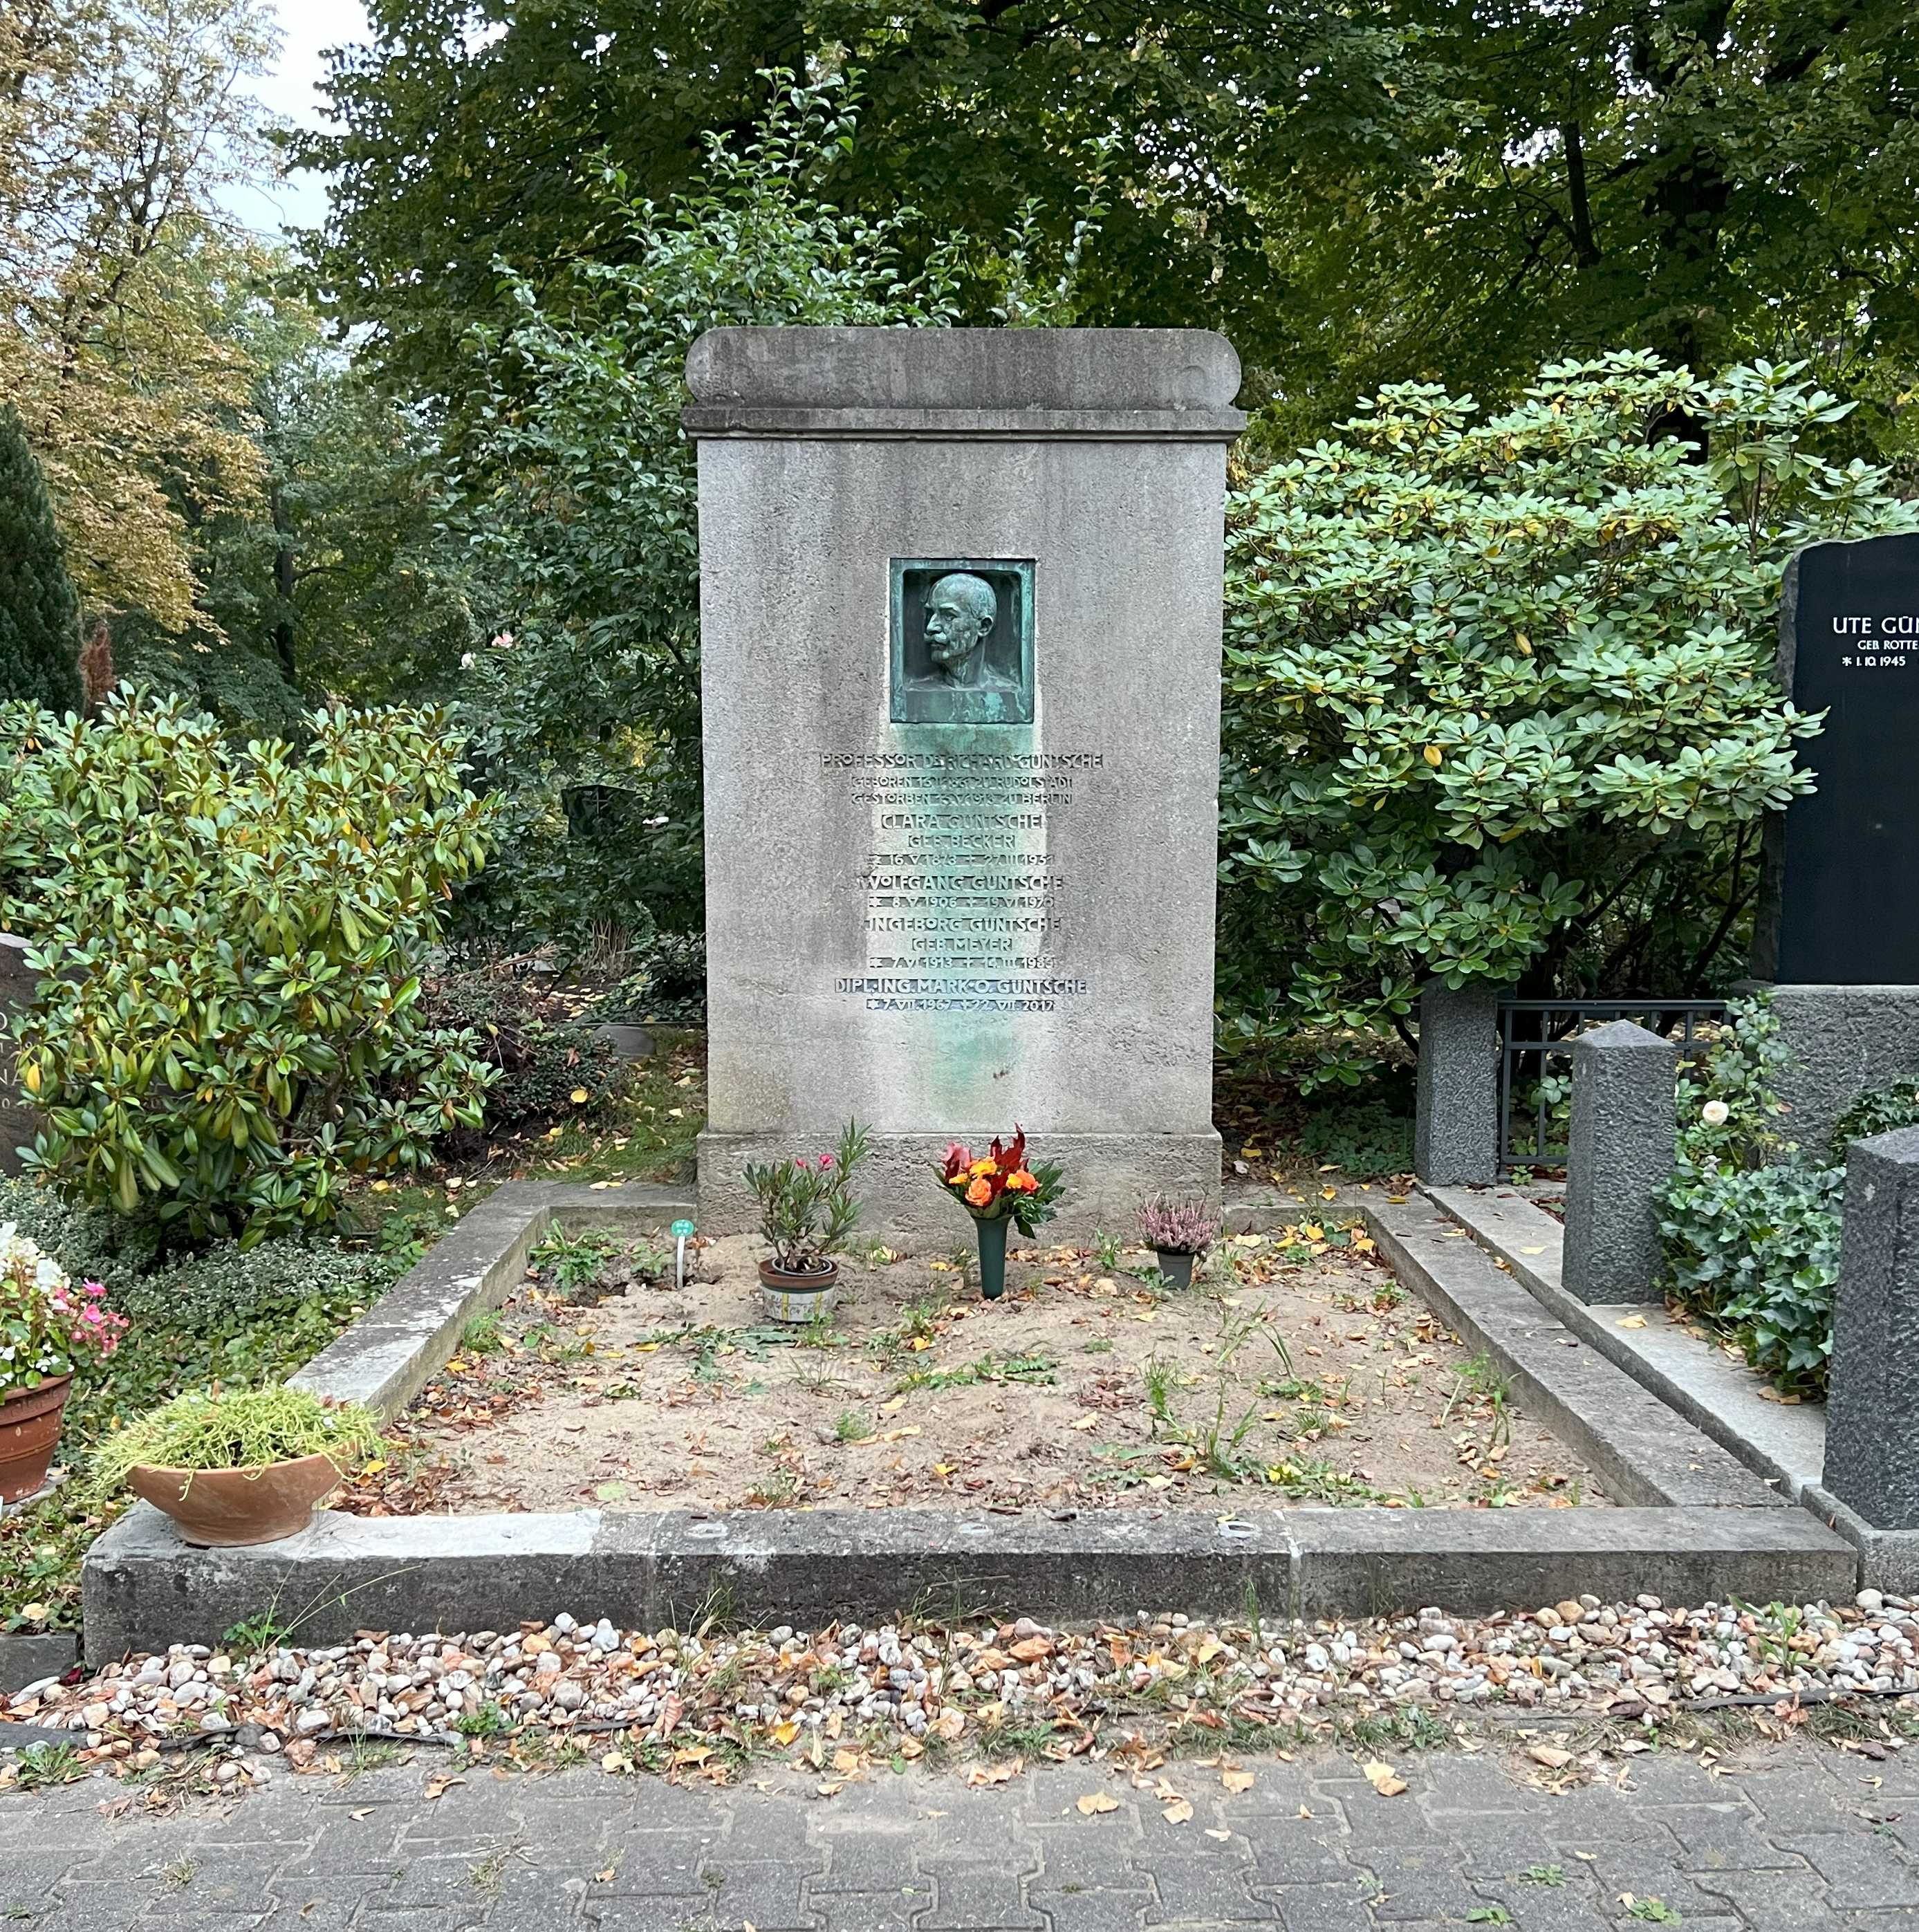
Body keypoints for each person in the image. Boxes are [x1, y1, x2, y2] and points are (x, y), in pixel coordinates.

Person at [914, 572, 1019, 691]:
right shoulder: (917, 691)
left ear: (983, 627)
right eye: (931, 614)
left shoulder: (1008, 691)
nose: (931, 627)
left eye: (949, 616)